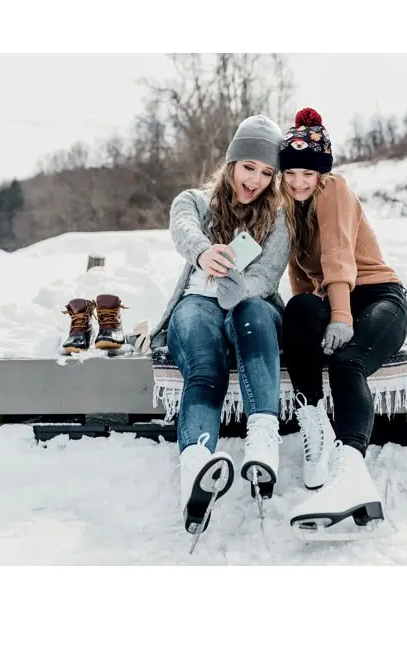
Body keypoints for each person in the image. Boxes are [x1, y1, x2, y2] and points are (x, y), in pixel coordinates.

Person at [149, 114, 290, 536]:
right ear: (231, 164)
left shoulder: (278, 218)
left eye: (267, 172)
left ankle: (262, 443)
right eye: (249, 167)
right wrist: (204, 253)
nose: (255, 180)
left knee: (253, 314)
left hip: (250, 305)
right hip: (197, 304)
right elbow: (182, 228)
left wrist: (232, 287)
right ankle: (196, 469)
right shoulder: (194, 200)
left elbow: (266, 277)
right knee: (204, 366)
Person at [278, 107, 407, 537]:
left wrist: (340, 315)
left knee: (346, 362)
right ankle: (314, 423)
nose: (299, 181)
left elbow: (337, 254)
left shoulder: (334, 189)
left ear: (321, 173)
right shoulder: (287, 204)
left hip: (377, 295)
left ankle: (350, 469)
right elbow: (298, 274)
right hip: (331, 294)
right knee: (298, 307)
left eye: (307, 173)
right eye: (291, 173)